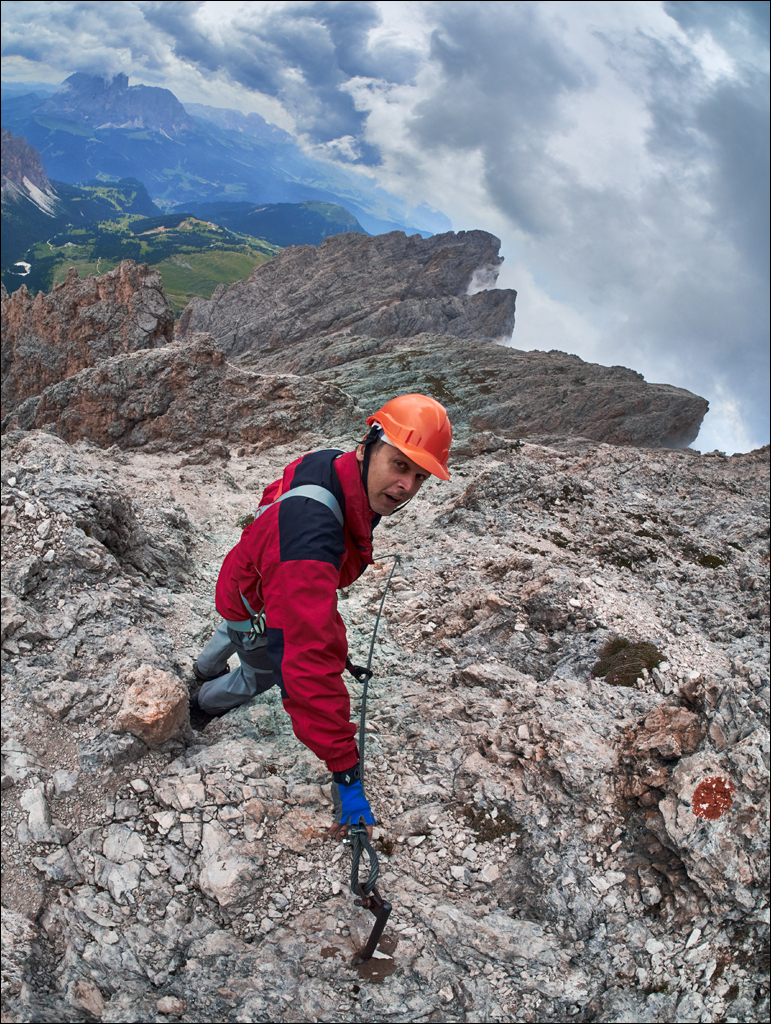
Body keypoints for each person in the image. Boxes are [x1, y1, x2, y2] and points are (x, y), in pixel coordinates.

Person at [189, 394, 452, 836]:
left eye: (420, 476)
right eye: (400, 465)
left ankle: (203, 666)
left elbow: (277, 495)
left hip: (244, 580)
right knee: (261, 672)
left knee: (235, 623)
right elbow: (306, 664)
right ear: (370, 444)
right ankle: (200, 703)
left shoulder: (330, 462)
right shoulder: (308, 545)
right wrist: (346, 773)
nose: (407, 486)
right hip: (259, 600)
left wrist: (271, 559)